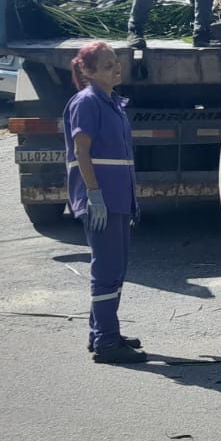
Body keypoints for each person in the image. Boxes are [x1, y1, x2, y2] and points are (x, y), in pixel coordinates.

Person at [63, 40, 145, 364]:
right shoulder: (87, 102)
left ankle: (102, 332)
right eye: (109, 64)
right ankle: (107, 343)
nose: (116, 68)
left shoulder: (112, 102)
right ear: (88, 71)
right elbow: (82, 152)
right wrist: (93, 194)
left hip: (118, 200)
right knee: (107, 270)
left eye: (116, 62)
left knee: (116, 268)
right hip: (103, 201)